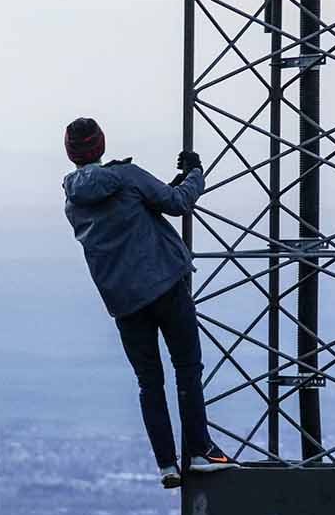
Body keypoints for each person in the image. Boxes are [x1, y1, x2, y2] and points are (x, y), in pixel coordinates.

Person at [59, 117, 236, 489]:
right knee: (187, 368)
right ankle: (200, 451)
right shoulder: (128, 176)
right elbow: (177, 203)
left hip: (125, 302)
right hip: (166, 285)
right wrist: (195, 173)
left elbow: (131, 213)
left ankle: (166, 464)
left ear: (70, 153)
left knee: (149, 381)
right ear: (101, 144)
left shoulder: (73, 202)